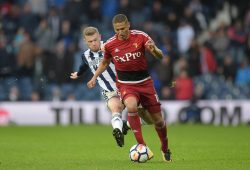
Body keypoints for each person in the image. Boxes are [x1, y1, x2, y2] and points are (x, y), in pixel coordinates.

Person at [87, 14, 172, 162]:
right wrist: (94, 77)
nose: (120, 32)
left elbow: (160, 55)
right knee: (131, 107)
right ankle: (142, 145)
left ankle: (165, 148)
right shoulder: (110, 44)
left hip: (145, 83)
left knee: (158, 121)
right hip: (126, 85)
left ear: (129, 25)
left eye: (123, 28)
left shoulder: (141, 36)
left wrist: (155, 50)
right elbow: (105, 63)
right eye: (117, 29)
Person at [70, 26, 153, 148]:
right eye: (90, 41)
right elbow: (84, 65)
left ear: (100, 37)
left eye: (95, 40)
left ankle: (127, 125)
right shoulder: (86, 55)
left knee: (151, 119)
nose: (93, 43)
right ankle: (118, 131)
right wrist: (78, 73)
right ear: (85, 41)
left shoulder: (110, 47)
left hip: (127, 86)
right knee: (116, 108)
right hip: (109, 90)